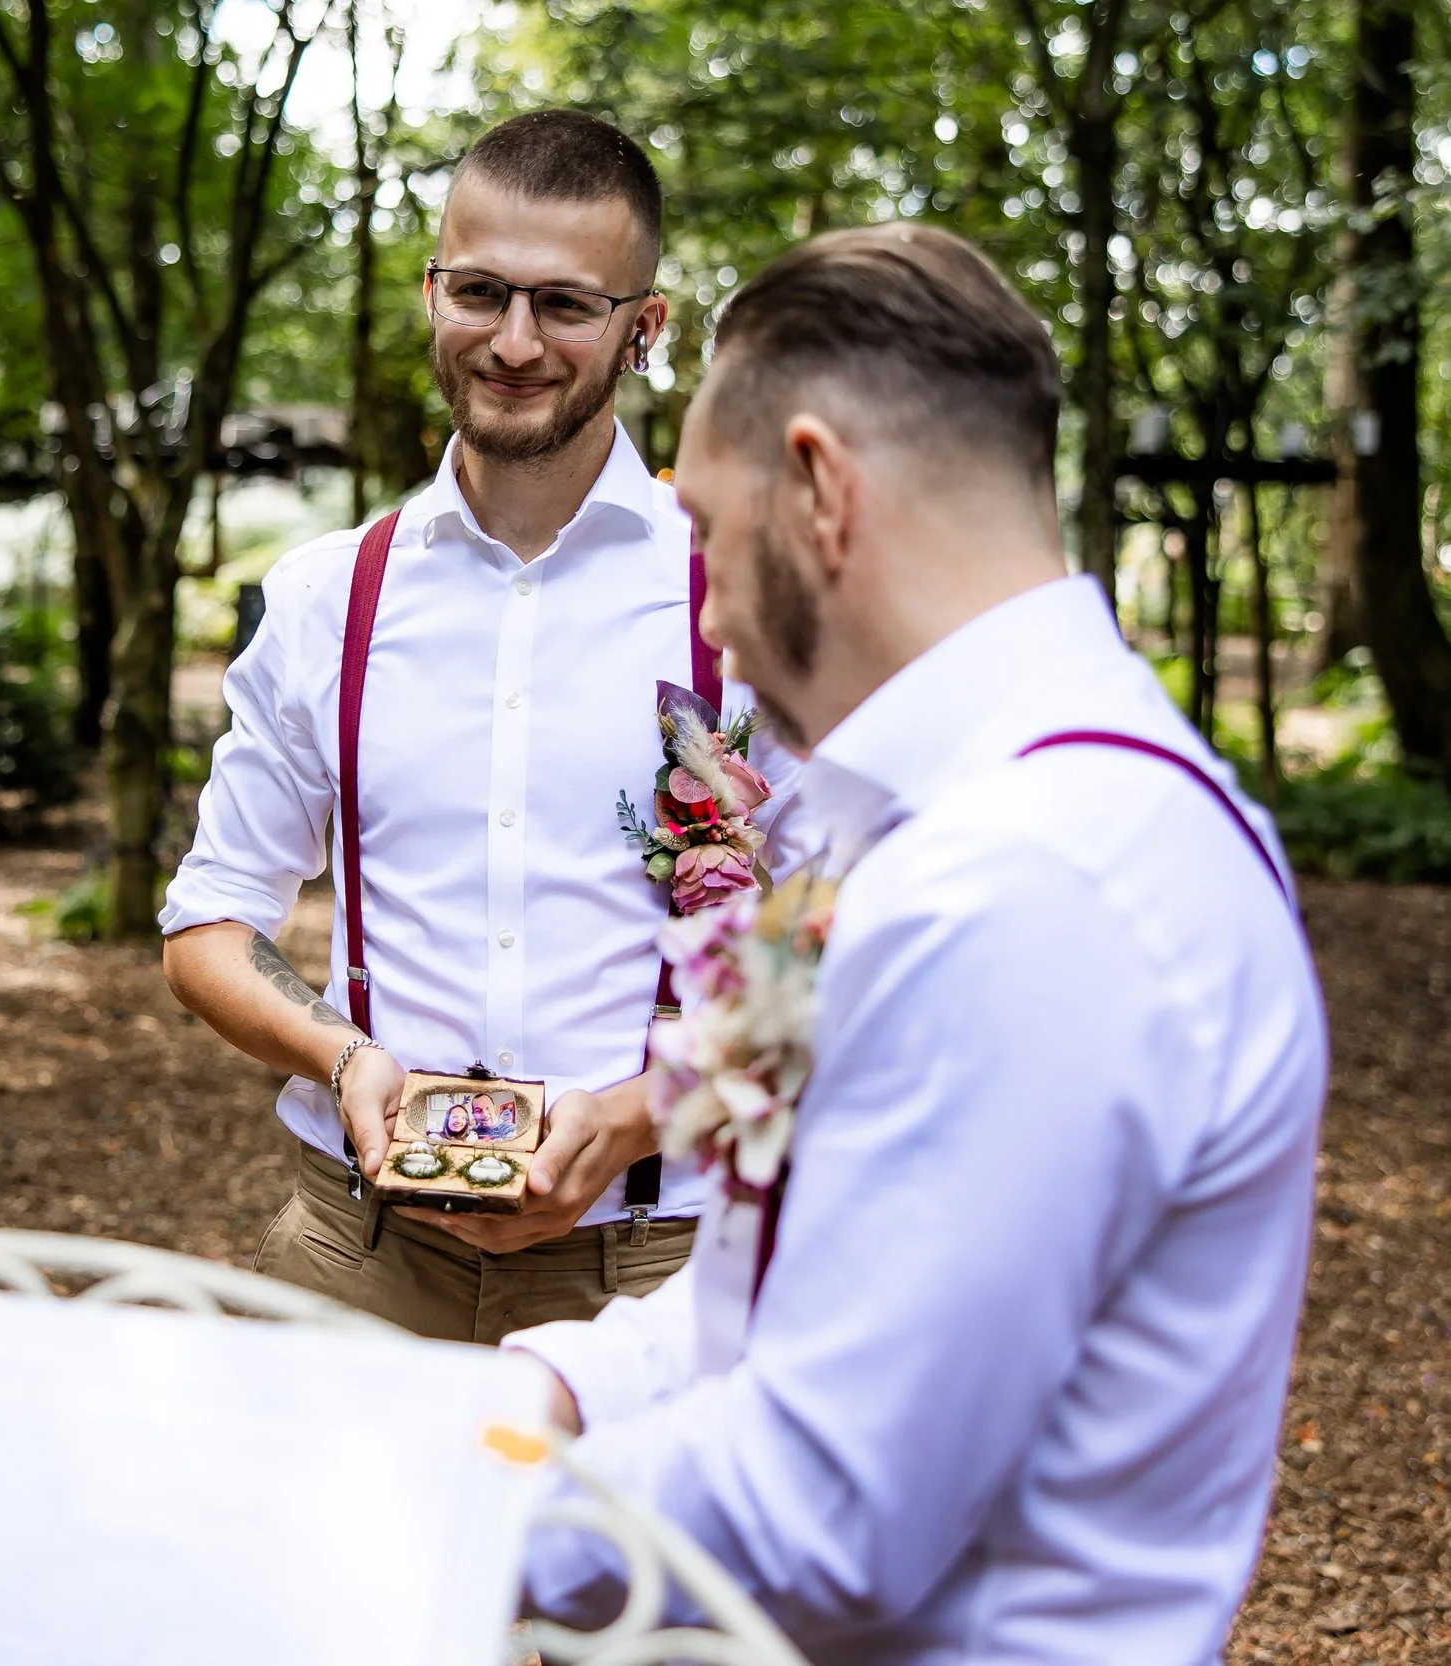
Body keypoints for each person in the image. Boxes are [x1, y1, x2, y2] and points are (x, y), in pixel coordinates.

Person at [505, 224, 1327, 1663]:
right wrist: (557, 1389)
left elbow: (826, 1504)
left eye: (704, 531)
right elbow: (797, 1288)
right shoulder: (967, 818)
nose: (705, 610)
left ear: (818, 487)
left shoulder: (1032, 881)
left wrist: (438, 1506)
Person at [160, 110, 805, 1342]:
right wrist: (344, 1061)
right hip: (356, 1263)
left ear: (642, 326)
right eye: (480, 292)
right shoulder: (322, 599)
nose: (513, 342)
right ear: (432, 293)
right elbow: (208, 922)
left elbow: (839, 944)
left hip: (659, 1278)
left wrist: (635, 1115)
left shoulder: (744, 596)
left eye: (565, 304)